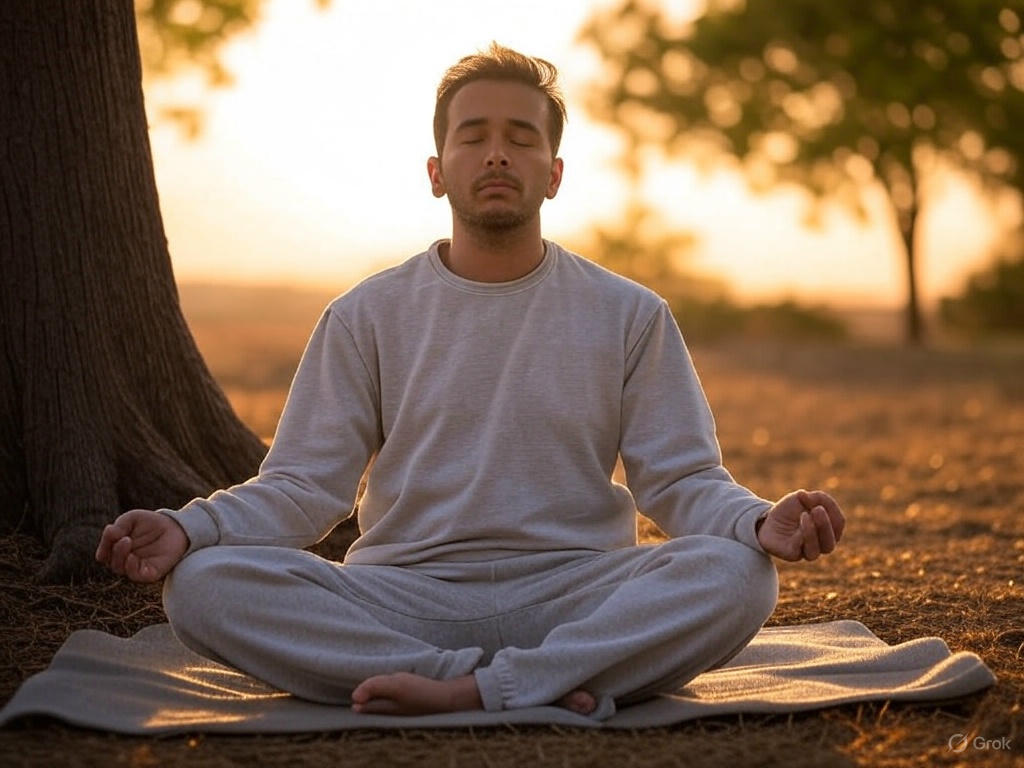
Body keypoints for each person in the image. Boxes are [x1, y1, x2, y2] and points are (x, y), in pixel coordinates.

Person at [96, 43, 845, 719]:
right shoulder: (365, 315)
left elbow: (681, 480)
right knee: (202, 585)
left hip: (577, 592)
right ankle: (509, 681)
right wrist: (189, 528)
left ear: (552, 175)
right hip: (401, 597)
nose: (496, 155)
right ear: (436, 171)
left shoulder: (630, 314)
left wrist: (755, 522)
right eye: (473, 137)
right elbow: (302, 487)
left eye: (522, 139)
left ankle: (484, 689)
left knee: (737, 574)